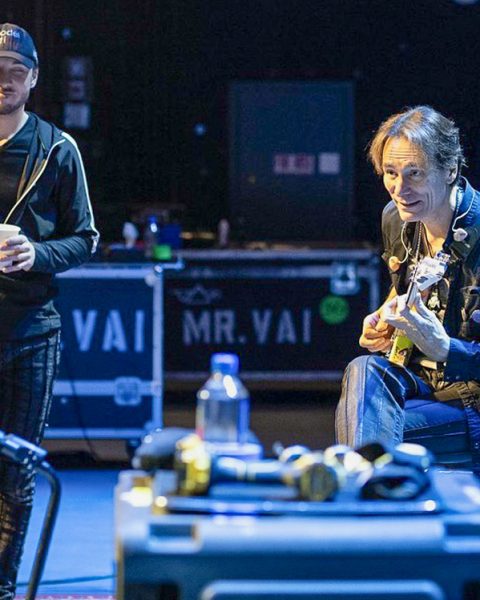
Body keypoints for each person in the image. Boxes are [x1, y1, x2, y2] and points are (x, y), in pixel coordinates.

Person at [0, 23, 98, 598]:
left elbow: (85, 237)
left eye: (16, 73)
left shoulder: (58, 148)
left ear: (33, 79)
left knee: (16, 478)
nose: (5, 83)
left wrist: (36, 253)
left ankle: (5, 588)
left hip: (32, 332)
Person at [335, 105, 480, 471]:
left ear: (450, 170)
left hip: (473, 396)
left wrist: (448, 349)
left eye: (414, 174)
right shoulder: (396, 219)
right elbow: (403, 290)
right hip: (422, 379)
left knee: (371, 444)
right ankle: (372, 490)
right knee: (364, 368)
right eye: (391, 173)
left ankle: (365, 493)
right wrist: (387, 315)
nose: (400, 189)